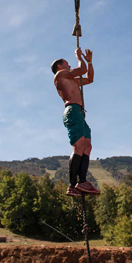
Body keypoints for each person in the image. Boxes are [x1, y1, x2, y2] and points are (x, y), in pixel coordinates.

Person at [52, 48, 100, 197]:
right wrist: (79, 57)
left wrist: (90, 61)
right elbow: (81, 69)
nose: (69, 65)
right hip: (72, 110)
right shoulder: (60, 75)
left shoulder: (71, 79)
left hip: (79, 113)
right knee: (79, 146)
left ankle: (82, 181)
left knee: (87, 145)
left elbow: (90, 78)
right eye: (66, 63)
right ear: (59, 66)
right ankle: (72, 185)